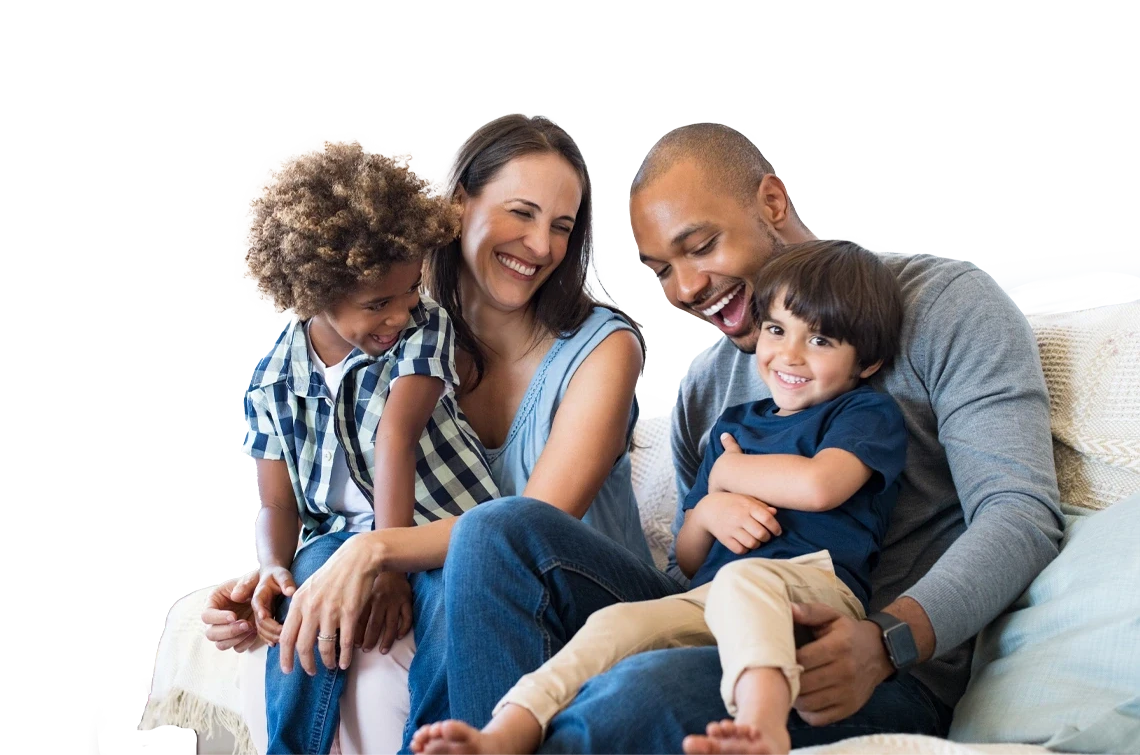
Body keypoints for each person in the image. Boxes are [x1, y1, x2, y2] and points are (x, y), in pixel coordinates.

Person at [426, 121, 1064, 752]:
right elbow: (690, 569)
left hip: (862, 664)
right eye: (660, 271)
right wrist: (709, 510)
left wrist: (887, 641)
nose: (685, 289)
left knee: (638, 694)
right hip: (722, 618)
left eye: (700, 247)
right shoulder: (707, 390)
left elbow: (1019, 514)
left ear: (772, 202)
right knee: (496, 530)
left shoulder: (943, 305)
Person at [201, 113, 656, 755]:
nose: (542, 246)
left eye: (562, 226)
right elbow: (321, 486)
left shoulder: (601, 349)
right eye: (521, 213)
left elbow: (532, 525)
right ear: (459, 204)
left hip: (583, 597)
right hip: (464, 580)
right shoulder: (390, 336)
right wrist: (275, 577)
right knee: (324, 581)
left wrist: (377, 551)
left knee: (469, 559)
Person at [411, 240, 908, 755]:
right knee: (615, 623)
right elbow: (690, 558)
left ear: (867, 362)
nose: (789, 355)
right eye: (777, 330)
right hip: (710, 598)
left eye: (821, 340)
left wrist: (729, 473)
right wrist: (711, 507)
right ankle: (506, 731)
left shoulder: (862, 414)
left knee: (744, 578)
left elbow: (820, 485)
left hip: (814, 592)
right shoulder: (735, 425)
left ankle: (763, 726)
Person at [239, 138, 500, 755]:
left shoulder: (423, 327)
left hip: (442, 525)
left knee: (448, 609)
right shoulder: (272, 376)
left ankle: (435, 744)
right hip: (337, 538)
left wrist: (387, 561)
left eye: (410, 290)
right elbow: (277, 503)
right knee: (306, 596)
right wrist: (273, 566)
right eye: (377, 303)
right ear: (313, 292)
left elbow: (395, 438)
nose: (399, 313)